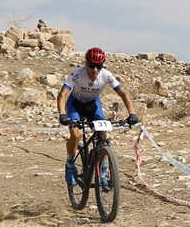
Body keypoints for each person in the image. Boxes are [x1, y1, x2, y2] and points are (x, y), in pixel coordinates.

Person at [57, 47, 140, 185]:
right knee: (76, 134)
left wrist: (132, 113)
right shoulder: (77, 73)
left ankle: (103, 172)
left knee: (103, 135)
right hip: (75, 105)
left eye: (99, 66)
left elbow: (123, 94)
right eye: (92, 65)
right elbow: (62, 94)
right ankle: (70, 164)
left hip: (93, 105)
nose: (95, 69)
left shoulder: (106, 75)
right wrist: (62, 114)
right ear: (86, 63)